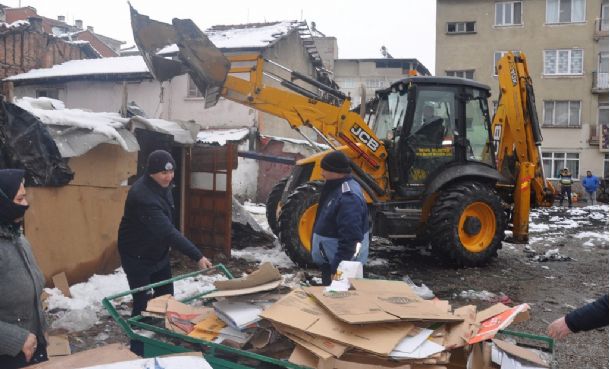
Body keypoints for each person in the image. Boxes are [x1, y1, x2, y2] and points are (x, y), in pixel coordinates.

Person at [117, 150, 213, 354]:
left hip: (157, 252)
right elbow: (168, 231)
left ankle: (167, 340)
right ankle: (138, 350)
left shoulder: (163, 187)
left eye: (171, 173)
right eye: (163, 173)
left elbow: (166, 225)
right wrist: (197, 255)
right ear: (151, 172)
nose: (169, 177)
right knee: (143, 307)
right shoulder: (142, 196)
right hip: (137, 256)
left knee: (167, 299)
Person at [0, 169, 48, 368]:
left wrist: (41, 327)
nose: (25, 205)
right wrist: (16, 339)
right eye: (19, 199)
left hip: (31, 346)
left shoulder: (16, 236)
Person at [311, 151, 370, 286]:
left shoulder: (348, 198)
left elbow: (351, 238)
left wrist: (337, 270)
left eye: (325, 169)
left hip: (343, 267)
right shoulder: (338, 188)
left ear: (336, 171)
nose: (322, 173)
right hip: (335, 262)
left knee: (338, 301)